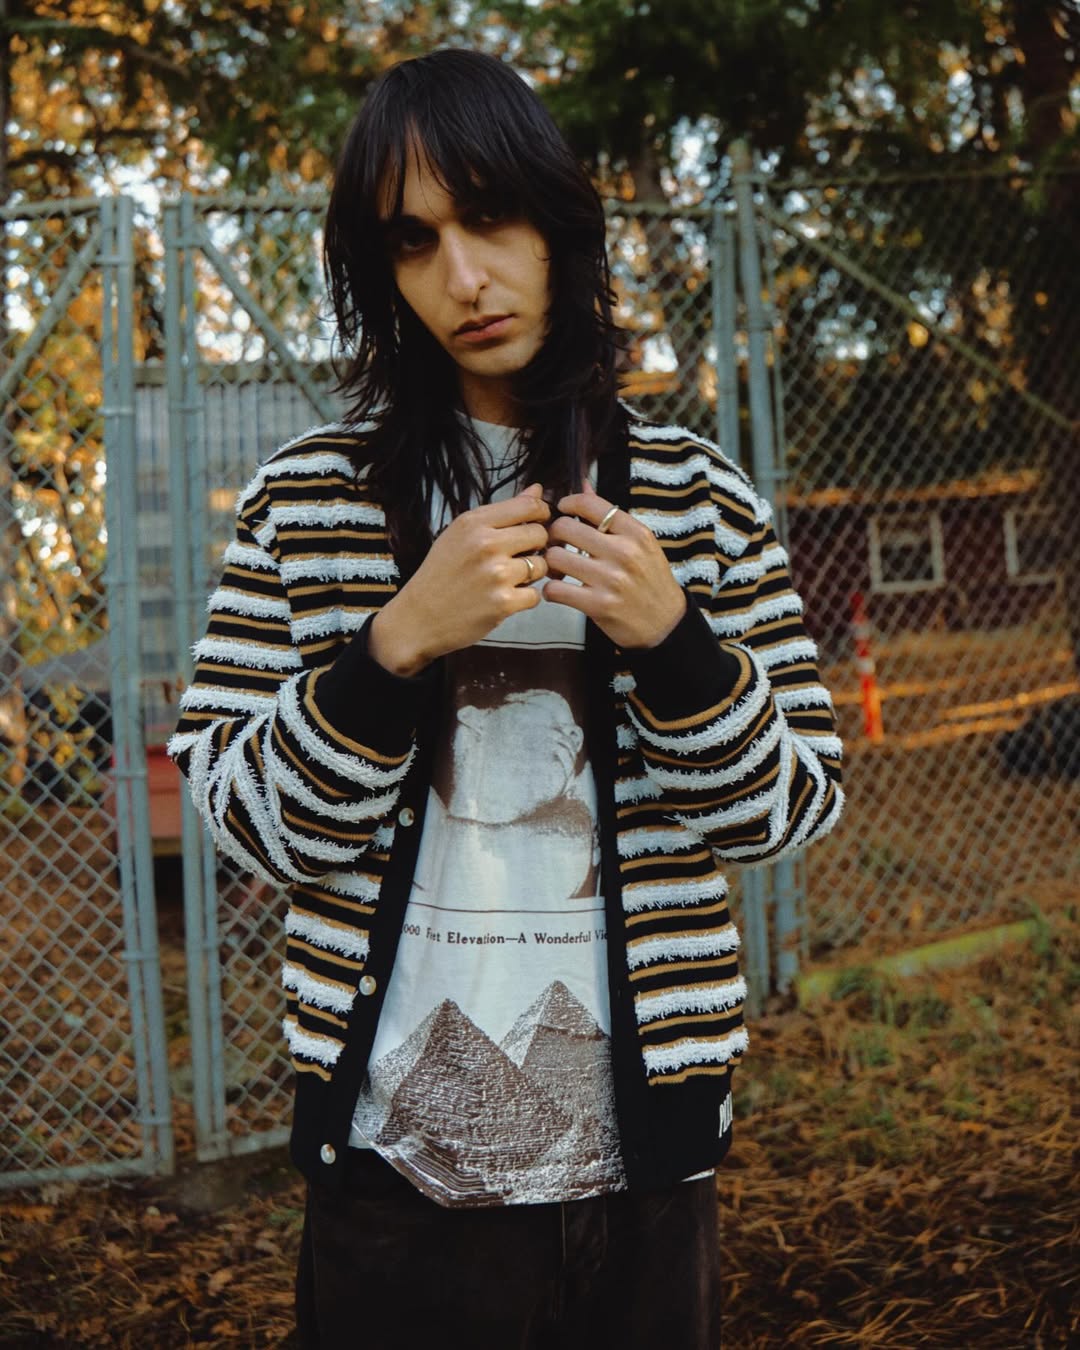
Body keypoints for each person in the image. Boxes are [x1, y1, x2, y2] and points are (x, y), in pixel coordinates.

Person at [168, 47, 843, 1349]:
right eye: (414, 242)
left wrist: (678, 645)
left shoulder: (700, 500)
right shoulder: (306, 506)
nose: (464, 277)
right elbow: (243, 820)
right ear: (382, 275)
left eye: (489, 216)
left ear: (557, 221)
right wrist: (392, 647)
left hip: (648, 1167)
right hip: (393, 1172)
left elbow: (790, 807)